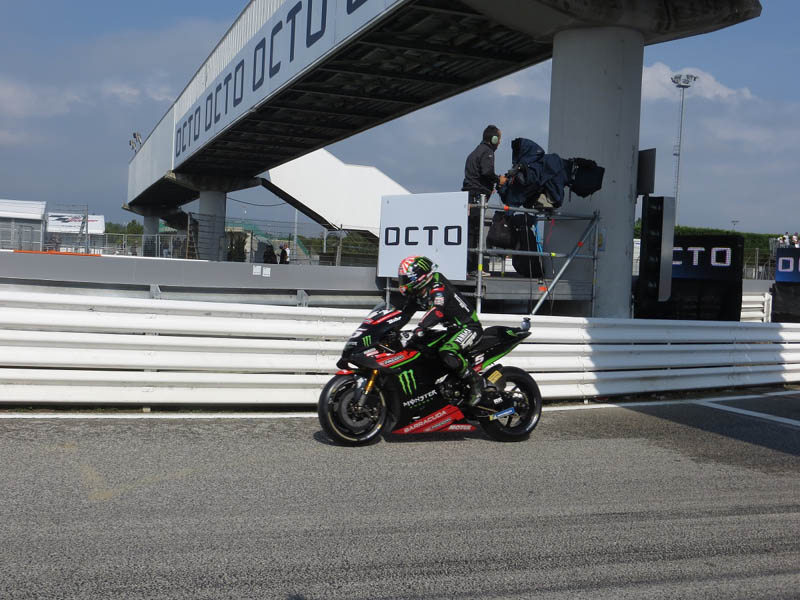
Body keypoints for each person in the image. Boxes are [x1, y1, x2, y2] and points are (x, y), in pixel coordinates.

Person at [397, 255, 484, 405]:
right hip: (452, 330)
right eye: (402, 279)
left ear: (420, 277)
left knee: (447, 351)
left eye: (406, 279)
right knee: (421, 347)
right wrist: (390, 329)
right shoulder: (419, 291)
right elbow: (404, 314)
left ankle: (475, 381)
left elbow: (437, 311)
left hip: (469, 327)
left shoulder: (438, 286)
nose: (403, 283)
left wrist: (421, 327)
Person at [462, 124, 508, 276]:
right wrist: (498, 180)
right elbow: (487, 172)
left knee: (470, 232)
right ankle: (473, 269)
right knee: (475, 232)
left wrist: (488, 187)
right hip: (476, 197)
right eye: (499, 139)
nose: (499, 142)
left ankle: (468, 268)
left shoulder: (475, 151)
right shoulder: (487, 152)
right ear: (493, 139)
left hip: (470, 195)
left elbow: (476, 177)